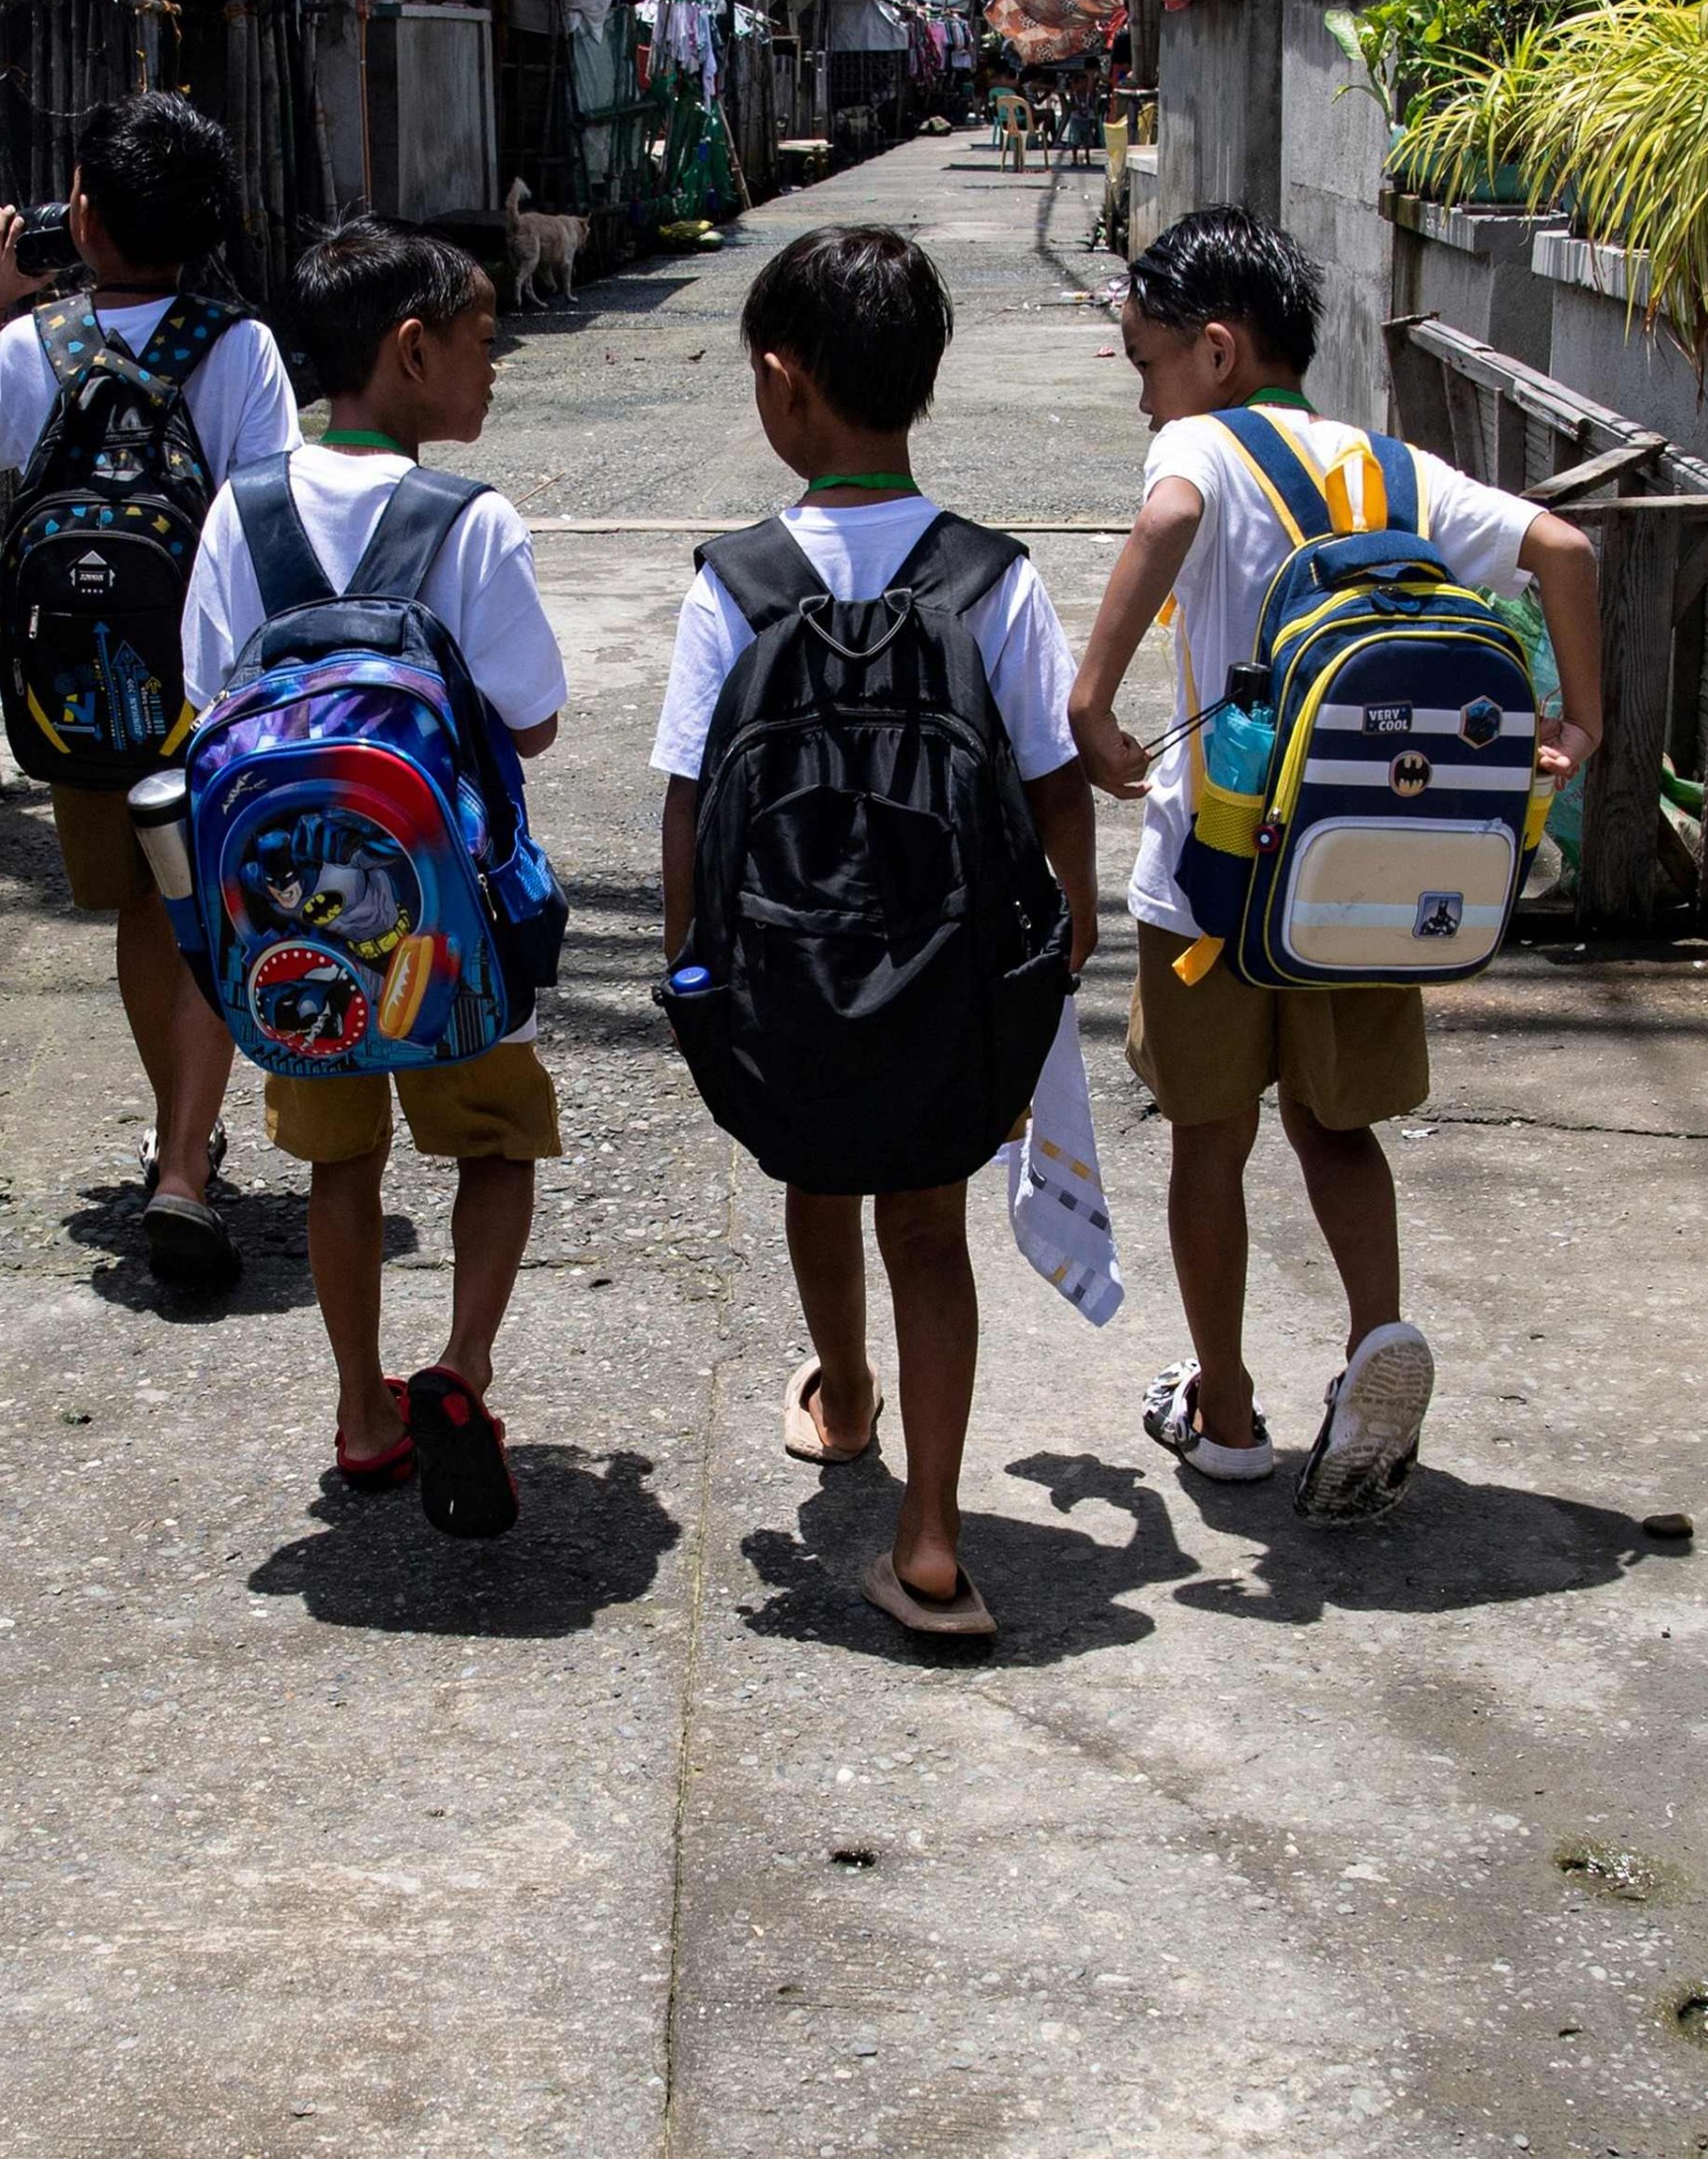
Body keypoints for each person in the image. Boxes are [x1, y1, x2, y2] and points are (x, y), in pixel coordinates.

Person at [1064, 206, 1605, 1521]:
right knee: (1335, 1121)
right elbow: (1561, 546)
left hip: (1213, 874)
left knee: (1208, 1134)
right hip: (1364, 875)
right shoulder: (1387, 466)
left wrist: (1091, 701)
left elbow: (1169, 515)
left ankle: (1228, 1410)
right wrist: (1577, 718)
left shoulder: (1194, 443)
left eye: (1143, 365)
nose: (1144, 399)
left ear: (1212, 348)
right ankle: (1374, 1334)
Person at [651, 227, 1095, 1635]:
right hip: (950, 970)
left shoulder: (734, 579)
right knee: (927, 1221)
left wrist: (691, 971)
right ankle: (927, 1536)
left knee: (814, 1169)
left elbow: (686, 804)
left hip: (784, 967)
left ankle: (842, 1402)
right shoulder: (992, 578)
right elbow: (1051, 789)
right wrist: (1055, 962)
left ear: (784, 386)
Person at [182, 221, 568, 1532]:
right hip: (449, 924)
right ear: (409, 352)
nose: (494, 365)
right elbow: (530, 714)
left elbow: (205, 704)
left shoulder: (241, 507)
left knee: (336, 1167)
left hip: (297, 940)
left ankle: (362, 1412)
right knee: (496, 1142)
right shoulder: (470, 519)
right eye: (478, 339)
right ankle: (458, 1364)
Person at [0, 94, 291, 1285]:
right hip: (206, 694)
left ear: (78, 212)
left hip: (78, 698)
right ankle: (184, 1155)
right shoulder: (241, 349)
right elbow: (266, 507)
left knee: (141, 914)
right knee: (193, 909)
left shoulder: (38, 343)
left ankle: (181, 1152)